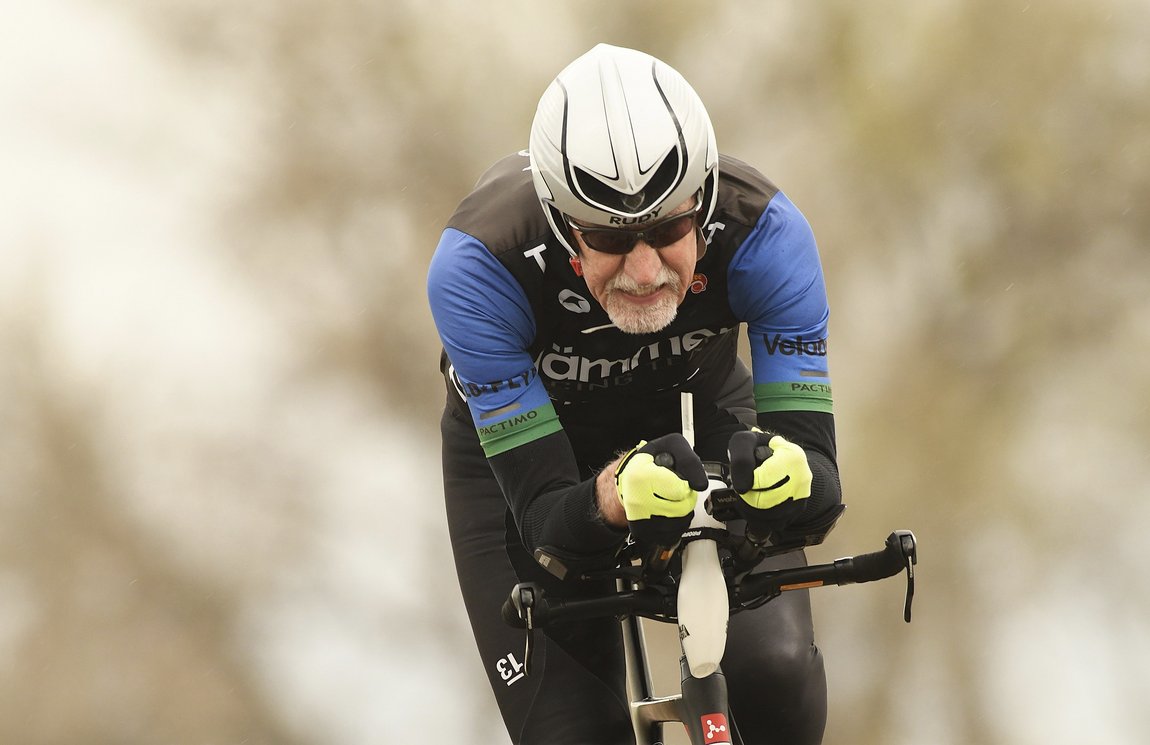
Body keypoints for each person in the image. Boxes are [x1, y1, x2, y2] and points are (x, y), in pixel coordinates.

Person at [427, 43, 844, 745]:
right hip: (530, 462)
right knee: (572, 734)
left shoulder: (765, 234)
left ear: (701, 201)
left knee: (774, 674)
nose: (645, 270)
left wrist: (794, 478)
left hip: (698, 413)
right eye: (608, 239)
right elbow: (549, 522)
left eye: (670, 229)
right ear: (563, 226)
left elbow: (822, 490)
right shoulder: (479, 267)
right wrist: (608, 498)